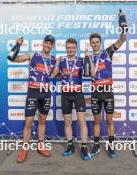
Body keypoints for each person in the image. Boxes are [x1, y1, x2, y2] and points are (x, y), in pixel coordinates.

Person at [8, 35, 56, 163]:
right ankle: (24, 149)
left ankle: (41, 145)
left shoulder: (54, 59)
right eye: (46, 42)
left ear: (53, 46)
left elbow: (61, 75)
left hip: (46, 94)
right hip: (33, 93)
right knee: (29, 122)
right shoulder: (32, 55)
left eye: (50, 43)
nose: (48, 45)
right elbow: (13, 59)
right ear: (43, 43)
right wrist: (17, 45)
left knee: (42, 120)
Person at [88, 16, 127, 158]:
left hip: (108, 92)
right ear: (90, 44)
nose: (95, 44)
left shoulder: (107, 52)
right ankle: (96, 145)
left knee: (109, 120)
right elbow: (88, 73)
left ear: (100, 43)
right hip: (95, 93)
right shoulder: (88, 58)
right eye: (93, 43)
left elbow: (122, 39)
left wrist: (122, 24)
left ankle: (111, 146)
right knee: (96, 120)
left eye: (97, 42)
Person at [51, 38, 91, 161]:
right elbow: (53, 75)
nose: (70, 50)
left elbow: (88, 73)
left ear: (76, 48)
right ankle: (70, 146)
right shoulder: (62, 61)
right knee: (67, 122)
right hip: (65, 95)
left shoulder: (80, 60)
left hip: (78, 94)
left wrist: (87, 59)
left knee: (81, 121)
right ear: (65, 48)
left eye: (73, 48)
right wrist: (56, 64)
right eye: (68, 48)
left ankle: (84, 148)